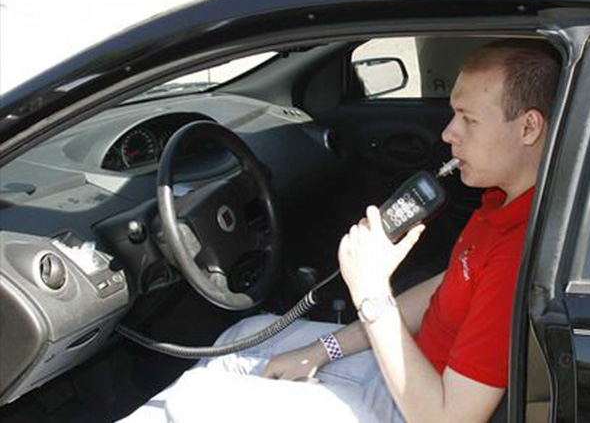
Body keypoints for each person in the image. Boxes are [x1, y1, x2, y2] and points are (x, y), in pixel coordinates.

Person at [155, 40, 561, 423]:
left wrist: (371, 293)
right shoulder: (501, 204)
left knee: (193, 396)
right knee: (244, 334)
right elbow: (442, 289)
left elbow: (448, 417)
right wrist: (321, 351)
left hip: (410, 407)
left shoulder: (517, 254)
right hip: (401, 366)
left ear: (528, 128)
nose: (448, 132)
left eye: (468, 120)